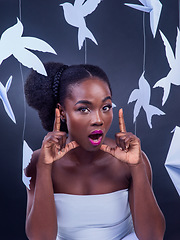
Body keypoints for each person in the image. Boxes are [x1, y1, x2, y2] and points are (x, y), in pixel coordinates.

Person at [24, 62, 165, 240]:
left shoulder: (133, 159)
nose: (98, 120)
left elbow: (153, 237)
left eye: (106, 107)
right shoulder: (37, 162)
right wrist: (44, 168)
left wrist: (137, 167)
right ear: (62, 112)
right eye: (84, 109)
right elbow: (40, 238)